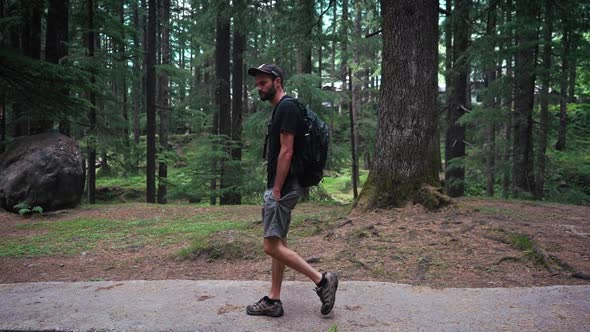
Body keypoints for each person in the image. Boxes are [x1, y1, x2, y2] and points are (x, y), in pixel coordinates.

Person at [245, 63, 338, 317]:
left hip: (283, 186)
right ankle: (274, 300)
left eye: (263, 82)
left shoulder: (286, 107)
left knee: (270, 245)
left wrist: (276, 188)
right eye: (257, 84)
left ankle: (322, 280)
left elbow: (287, 150)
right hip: (286, 184)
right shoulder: (283, 108)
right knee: (279, 241)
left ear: (277, 81)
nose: (259, 88)